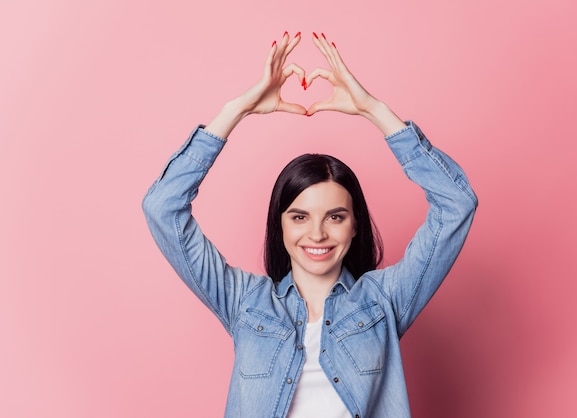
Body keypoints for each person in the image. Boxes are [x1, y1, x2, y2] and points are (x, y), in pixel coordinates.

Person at [143, 31, 477, 418]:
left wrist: (374, 110)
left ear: (355, 225)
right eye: (299, 217)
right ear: (280, 226)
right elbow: (162, 207)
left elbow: (457, 204)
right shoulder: (245, 303)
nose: (317, 234)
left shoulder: (384, 300)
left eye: (335, 217)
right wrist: (237, 110)